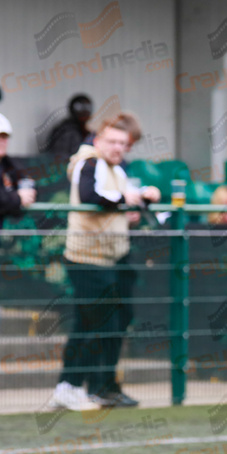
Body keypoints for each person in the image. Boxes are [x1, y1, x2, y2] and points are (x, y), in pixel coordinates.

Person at [49, 112, 160, 411]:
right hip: (87, 260)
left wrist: (135, 205)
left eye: (123, 143)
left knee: (112, 322)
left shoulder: (117, 171)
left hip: (112, 259)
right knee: (93, 324)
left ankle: (100, 387)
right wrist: (130, 198)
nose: (117, 147)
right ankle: (70, 386)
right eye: (111, 141)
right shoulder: (91, 162)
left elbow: (114, 203)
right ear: (98, 141)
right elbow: (92, 195)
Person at [0, 113, 37, 227]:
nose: (2, 141)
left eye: (4, 137)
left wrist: (27, 193)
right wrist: (18, 197)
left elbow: (29, 185)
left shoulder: (10, 164)